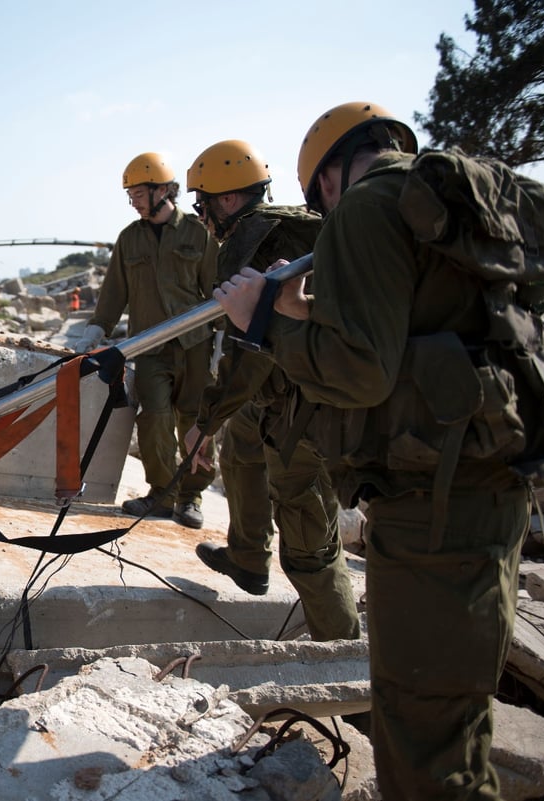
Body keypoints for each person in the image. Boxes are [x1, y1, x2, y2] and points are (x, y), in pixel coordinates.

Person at [214, 102, 531, 798]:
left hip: (434, 513)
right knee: (455, 722)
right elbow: (409, 331)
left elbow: (361, 373)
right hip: (488, 491)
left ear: (329, 175)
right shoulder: (434, 204)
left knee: (422, 745)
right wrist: (301, 309)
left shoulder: (364, 206)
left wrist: (262, 321)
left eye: (321, 199)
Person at [182, 139, 359, 642]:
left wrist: (204, 421)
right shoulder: (291, 225)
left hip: (303, 412)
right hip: (278, 398)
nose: (204, 215)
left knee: (309, 544)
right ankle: (247, 557)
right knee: (241, 449)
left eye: (206, 203)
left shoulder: (252, 245)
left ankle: (341, 655)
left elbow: (248, 355)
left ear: (229, 200)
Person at [76, 152, 219, 528]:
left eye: (139, 193)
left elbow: (217, 290)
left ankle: (191, 497)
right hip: (150, 347)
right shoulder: (129, 239)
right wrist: (96, 329)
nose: (134, 202)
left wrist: (222, 347)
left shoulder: (199, 232)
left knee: (196, 420)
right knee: (153, 419)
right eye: (131, 195)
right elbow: (113, 294)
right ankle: (161, 494)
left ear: (162, 191)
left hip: (196, 346)